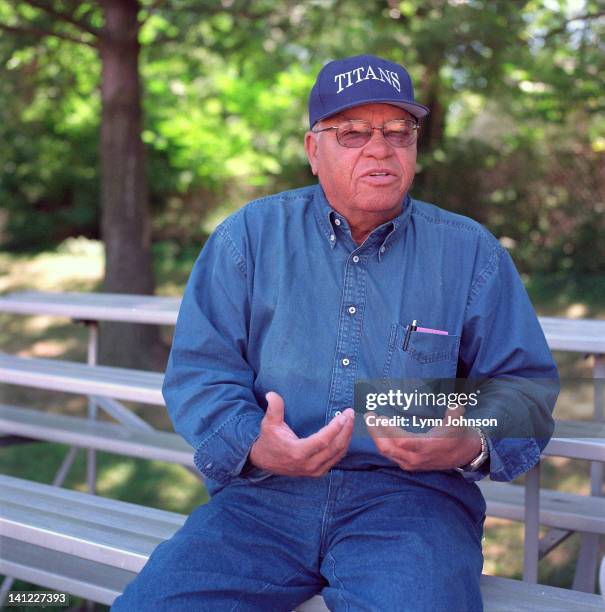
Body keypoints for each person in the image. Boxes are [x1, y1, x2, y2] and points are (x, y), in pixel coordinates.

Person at [112, 54, 558, 612]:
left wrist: (468, 440)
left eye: (399, 132)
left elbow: (524, 387)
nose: (380, 148)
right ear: (312, 151)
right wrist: (254, 442)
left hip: (412, 506)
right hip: (262, 503)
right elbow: (203, 372)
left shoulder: (469, 253)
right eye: (352, 132)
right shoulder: (247, 239)